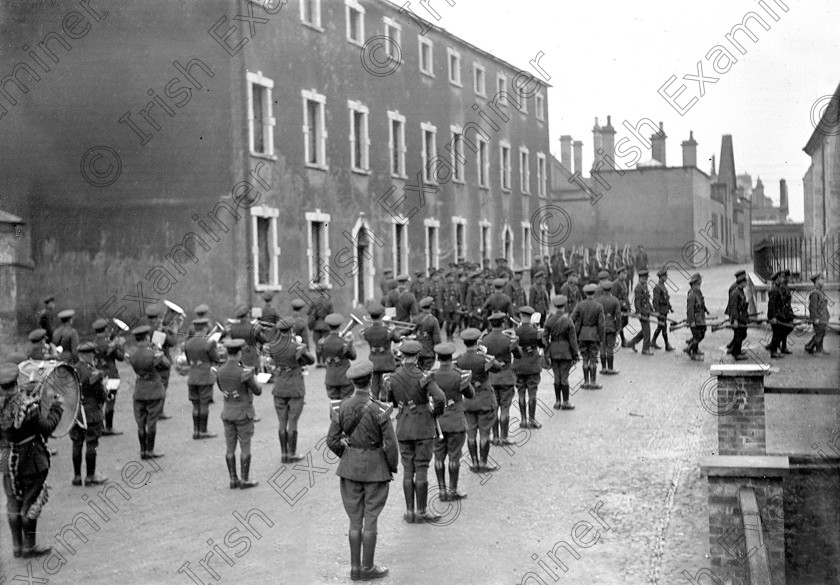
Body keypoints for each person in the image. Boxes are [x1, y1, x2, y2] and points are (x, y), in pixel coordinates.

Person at [327, 361, 398, 581]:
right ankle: (368, 568)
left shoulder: (342, 407)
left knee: (355, 520)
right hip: (376, 469)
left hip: (350, 469)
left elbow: (332, 440)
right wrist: (391, 466)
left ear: (353, 382)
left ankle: (355, 569)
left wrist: (347, 454)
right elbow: (391, 444)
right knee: (371, 519)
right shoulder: (380, 408)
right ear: (369, 382)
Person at [0, 361, 63, 558]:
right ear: (17, 380)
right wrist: (56, 408)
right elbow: (46, 428)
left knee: (12, 502)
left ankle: (17, 547)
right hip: (30, 459)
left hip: (6, 459)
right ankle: (29, 546)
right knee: (31, 501)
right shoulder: (29, 406)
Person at [385, 340, 446, 524]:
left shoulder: (393, 377)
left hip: (403, 426)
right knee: (421, 468)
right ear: (418, 356)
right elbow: (440, 398)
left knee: (407, 469)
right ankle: (421, 511)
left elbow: (391, 401)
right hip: (423, 427)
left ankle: (409, 512)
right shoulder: (425, 376)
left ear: (402, 356)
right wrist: (434, 413)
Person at [266, 318, 315, 463]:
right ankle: (292, 453)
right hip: (294, 385)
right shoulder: (296, 346)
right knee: (293, 420)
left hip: (279, 384)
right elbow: (311, 361)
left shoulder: (273, 346)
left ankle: (284, 454)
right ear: (291, 329)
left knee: (282, 421)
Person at [431, 342, 473, 502]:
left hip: (438, 423)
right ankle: (452, 490)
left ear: (438, 358)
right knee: (454, 457)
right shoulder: (459, 375)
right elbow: (470, 394)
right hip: (455, 421)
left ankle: (441, 491)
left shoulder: (431, 375)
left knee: (439, 457)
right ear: (451, 357)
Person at [217, 338, 262, 489]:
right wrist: (254, 377)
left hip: (228, 413)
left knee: (230, 447)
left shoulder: (220, 370)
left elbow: (221, 387)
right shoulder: (244, 372)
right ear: (239, 353)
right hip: (243, 413)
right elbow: (258, 391)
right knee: (245, 446)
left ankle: (232, 479)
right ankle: (244, 479)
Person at [456, 329, 503, 472]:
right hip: (484, 399)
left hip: (467, 401)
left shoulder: (459, 360)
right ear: (477, 342)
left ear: (464, 343)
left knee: (471, 432)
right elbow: (498, 368)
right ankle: (483, 462)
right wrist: (484, 354)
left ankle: (474, 462)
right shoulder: (483, 359)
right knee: (484, 432)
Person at [70, 341, 109, 486]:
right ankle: (90, 476)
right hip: (91, 413)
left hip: (75, 414)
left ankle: (77, 477)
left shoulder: (72, 371)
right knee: (92, 443)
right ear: (90, 355)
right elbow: (100, 395)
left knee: (76, 444)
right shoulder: (94, 373)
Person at [127, 326, 169, 459]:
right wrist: (158, 350)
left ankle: (143, 451)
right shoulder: (153, 353)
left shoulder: (133, 354)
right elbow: (166, 364)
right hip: (154, 390)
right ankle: (150, 451)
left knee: (141, 423)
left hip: (139, 390)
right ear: (147, 337)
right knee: (151, 422)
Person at [483, 313, 521, 445]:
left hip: (491, 378)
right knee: (505, 408)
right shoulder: (508, 339)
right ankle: (504, 437)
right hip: (506, 377)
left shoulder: (485, 340)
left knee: (494, 408)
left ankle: (495, 437)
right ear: (503, 323)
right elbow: (519, 355)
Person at [185, 318, 221, 439]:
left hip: (192, 376)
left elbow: (188, 360)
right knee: (204, 403)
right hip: (205, 376)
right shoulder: (209, 343)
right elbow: (216, 359)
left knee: (195, 405)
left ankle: (196, 431)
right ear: (205, 328)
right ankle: (203, 430)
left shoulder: (188, 343)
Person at [361, 304, 404, 401]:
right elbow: (397, 339)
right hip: (387, 361)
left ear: (371, 316)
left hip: (374, 362)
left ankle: (374, 405)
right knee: (387, 387)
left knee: (374, 388)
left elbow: (364, 338)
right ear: (381, 316)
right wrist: (394, 329)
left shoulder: (366, 331)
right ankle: (386, 403)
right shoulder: (388, 330)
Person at [144, 304, 179, 420]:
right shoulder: (159, 329)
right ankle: (159, 412)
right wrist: (174, 331)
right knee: (162, 386)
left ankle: (152, 410)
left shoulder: (145, 328)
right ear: (158, 316)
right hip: (161, 361)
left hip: (149, 360)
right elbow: (172, 342)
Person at [543, 296, 578, 410]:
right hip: (566, 352)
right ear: (564, 306)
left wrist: (547, 351)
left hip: (553, 352)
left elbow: (544, 338)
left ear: (554, 306)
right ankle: (566, 401)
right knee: (565, 377)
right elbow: (573, 340)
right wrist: (575, 354)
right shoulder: (568, 320)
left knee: (556, 377)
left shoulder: (549, 320)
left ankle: (557, 401)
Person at [93, 319, 125, 436]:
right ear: (106, 329)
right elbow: (120, 357)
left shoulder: (94, 342)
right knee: (110, 401)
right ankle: (109, 427)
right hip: (111, 375)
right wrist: (120, 345)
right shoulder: (110, 343)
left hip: (98, 374)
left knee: (99, 402)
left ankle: (99, 426)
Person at [321, 313, 357, 417]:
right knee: (346, 403)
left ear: (328, 326)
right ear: (340, 326)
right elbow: (353, 356)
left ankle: (334, 425)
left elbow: (324, 360)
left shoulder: (323, 342)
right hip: (344, 378)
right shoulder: (344, 342)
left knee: (334, 403)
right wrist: (351, 343)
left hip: (330, 378)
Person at [571, 284, 605, 389]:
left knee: (585, 358)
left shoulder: (580, 305)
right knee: (593, 358)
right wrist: (601, 338)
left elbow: (572, 318)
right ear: (594, 293)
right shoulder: (599, 306)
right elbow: (601, 324)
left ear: (585, 293)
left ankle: (586, 382)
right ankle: (593, 382)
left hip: (582, 335)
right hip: (594, 335)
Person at [765, 269, 792, 359]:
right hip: (775, 315)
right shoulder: (774, 290)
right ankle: (773, 352)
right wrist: (772, 317)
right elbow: (771, 305)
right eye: (781, 277)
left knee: (779, 333)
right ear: (777, 278)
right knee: (777, 334)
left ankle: (774, 349)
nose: (782, 278)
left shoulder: (777, 288)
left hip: (779, 315)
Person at [597, 281, 622, 375]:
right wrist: (618, 328)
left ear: (602, 290)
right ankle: (610, 368)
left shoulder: (598, 300)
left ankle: (603, 368)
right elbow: (618, 316)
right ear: (611, 289)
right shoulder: (615, 300)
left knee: (602, 347)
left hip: (601, 326)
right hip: (611, 326)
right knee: (610, 348)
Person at [627, 269, 653, 355]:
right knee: (647, 331)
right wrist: (638, 313)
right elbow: (637, 301)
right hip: (642, 312)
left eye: (646, 278)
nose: (646, 280)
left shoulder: (644, 285)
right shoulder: (638, 288)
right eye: (644, 278)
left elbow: (647, 299)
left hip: (646, 310)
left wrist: (651, 309)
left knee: (644, 330)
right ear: (640, 278)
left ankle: (632, 343)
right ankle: (645, 349)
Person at [413, 297, 441, 371]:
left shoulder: (416, 319)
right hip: (429, 353)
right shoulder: (433, 320)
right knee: (426, 374)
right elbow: (437, 339)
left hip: (417, 351)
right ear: (431, 306)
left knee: (418, 372)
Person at [685, 273, 709, 361]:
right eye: (698, 284)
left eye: (700, 284)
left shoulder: (698, 292)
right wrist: (692, 322)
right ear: (693, 284)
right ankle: (692, 351)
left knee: (702, 333)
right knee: (697, 336)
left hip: (700, 318)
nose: (699, 286)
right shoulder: (691, 295)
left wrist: (706, 310)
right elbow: (690, 309)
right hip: (694, 320)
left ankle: (692, 346)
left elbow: (702, 303)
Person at [308, 287, 333, 368]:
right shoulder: (328, 302)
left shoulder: (314, 301)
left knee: (317, 344)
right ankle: (324, 362)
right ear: (325, 291)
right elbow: (331, 314)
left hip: (316, 325)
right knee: (324, 344)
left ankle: (319, 362)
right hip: (326, 325)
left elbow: (309, 312)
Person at [727, 272, 750, 361]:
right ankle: (736, 353)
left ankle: (736, 350)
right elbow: (733, 308)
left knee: (742, 334)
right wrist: (735, 320)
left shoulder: (740, 291)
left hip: (742, 318)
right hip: (738, 318)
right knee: (739, 335)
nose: (746, 284)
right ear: (742, 282)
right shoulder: (735, 293)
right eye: (745, 282)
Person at [651, 268, 675, 351]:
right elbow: (655, 301)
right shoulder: (657, 287)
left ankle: (653, 342)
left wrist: (670, 307)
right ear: (661, 277)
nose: (666, 278)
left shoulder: (663, 286)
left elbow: (666, 298)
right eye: (665, 276)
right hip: (660, 311)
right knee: (663, 326)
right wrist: (657, 311)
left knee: (661, 326)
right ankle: (667, 345)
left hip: (664, 310)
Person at [805, 274, 830, 355]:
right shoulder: (814, 293)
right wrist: (815, 318)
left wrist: (827, 315)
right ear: (816, 280)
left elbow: (823, 306)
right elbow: (812, 307)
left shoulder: (820, 292)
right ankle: (817, 349)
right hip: (818, 317)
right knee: (819, 333)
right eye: (821, 279)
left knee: (822, 332)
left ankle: (814, 347)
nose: (823, 280)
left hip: (822, 317)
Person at [611, 265, 630, 347]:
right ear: (620, 274)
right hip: (619, 307)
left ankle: (614, 336)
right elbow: (615, 297)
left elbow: (626, 296)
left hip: (625, 306)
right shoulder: (615, 284)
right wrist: (620, 306)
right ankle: (622, 340)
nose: (626, 275)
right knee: (621, 323)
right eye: (624, 273)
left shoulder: (624, 283)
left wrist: (628, 305)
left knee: (625, 322)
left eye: (626, 273)